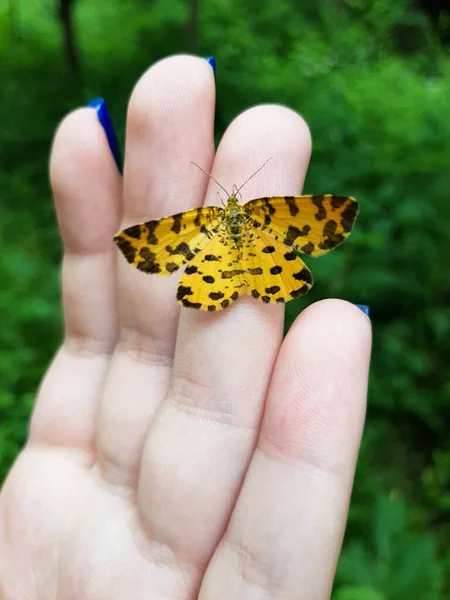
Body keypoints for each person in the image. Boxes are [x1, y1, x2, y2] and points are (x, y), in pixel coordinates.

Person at [0, 55, 372, 599]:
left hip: (220, 254)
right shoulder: (258, 214)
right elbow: (318, 220)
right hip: (252, 254)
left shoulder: (204, 223)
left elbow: (326, 217)